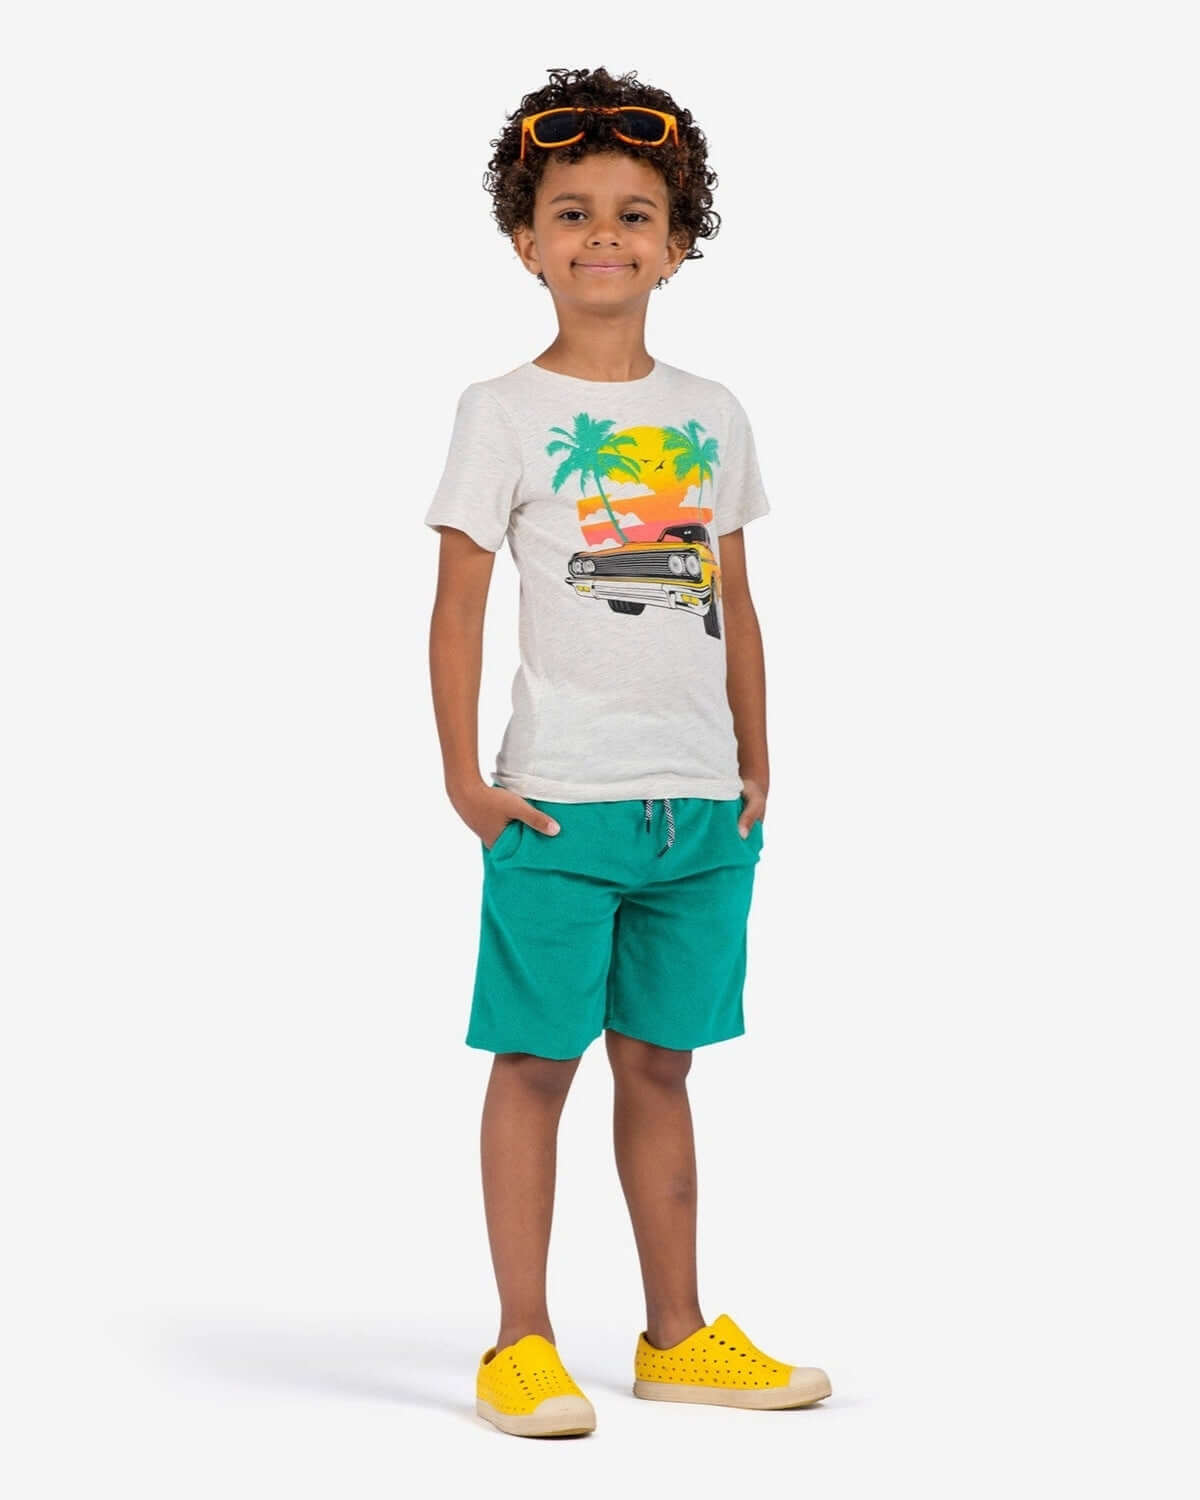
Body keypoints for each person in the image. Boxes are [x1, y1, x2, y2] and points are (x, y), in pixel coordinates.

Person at [424, 65, 831, 1438]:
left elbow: (736, 601)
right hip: (557, 805)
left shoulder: (713, 410)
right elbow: (459, 608)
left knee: (662, 1065)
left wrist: (756, 767)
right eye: (572, 211)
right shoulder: (499, 410)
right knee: (536, 1065)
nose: (604, 233)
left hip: (699, 809)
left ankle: (676, 1336)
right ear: (526, 242)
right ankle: (520, 1345)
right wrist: (467, 782)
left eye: (635, 213)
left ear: (677, 242)